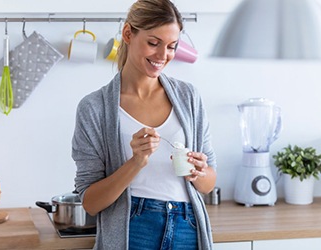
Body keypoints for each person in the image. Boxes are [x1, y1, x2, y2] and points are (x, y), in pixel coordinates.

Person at [72, 0, 217, 249]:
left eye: (172, 47)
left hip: (187, 226)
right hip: (133, 228)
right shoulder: (94, 108)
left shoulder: (188, 97)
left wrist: (199, 172)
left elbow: (209, 182)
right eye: (153, 43)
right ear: (128, 34)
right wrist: (135, 161)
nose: (163, 56)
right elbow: (90, 202)